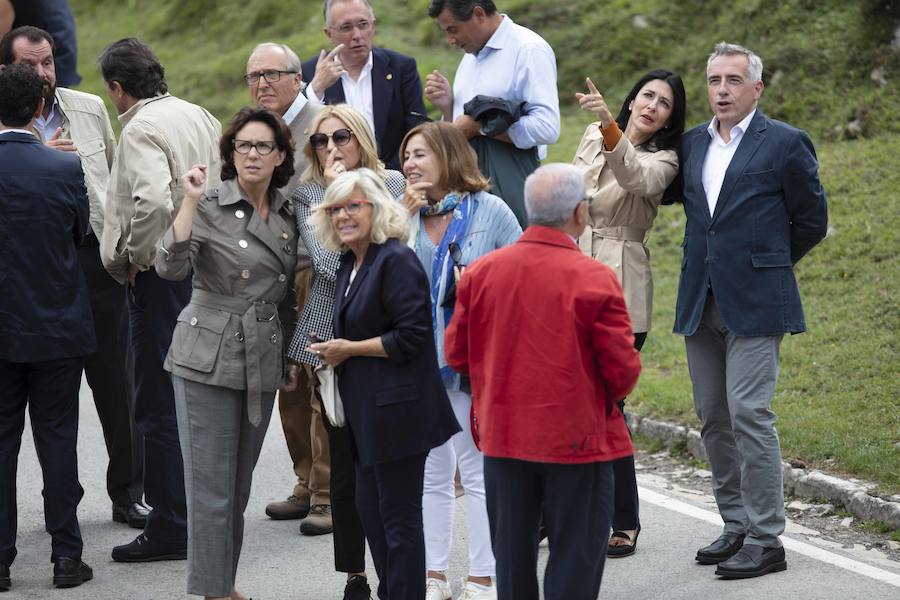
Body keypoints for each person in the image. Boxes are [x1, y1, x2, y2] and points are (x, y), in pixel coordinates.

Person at [444, 163, 641, 600]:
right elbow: (622, 371)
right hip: (577, 440)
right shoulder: (594, 278)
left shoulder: (480, 274)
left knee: (512, 561)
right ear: (579, 213)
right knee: (575, 558)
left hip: (504, 438)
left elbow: (456, 354)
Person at [676, 42, 828, 579]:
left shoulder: (784, 143)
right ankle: (735, 523)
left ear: (756, 88)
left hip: (759, 300)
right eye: (714, 80)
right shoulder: (692, 143)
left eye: (733, 80)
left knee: (749, 415)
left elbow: (811, 218)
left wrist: (770, 263)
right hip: (701, 296)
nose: (722, 90)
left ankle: (767, 539)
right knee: (713, 417)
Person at [0, 25, 148, 530]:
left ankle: (129, 493)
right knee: (37, 401)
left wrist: (125, 250)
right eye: (30, 66)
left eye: (48, 63)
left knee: (116, 385)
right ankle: (45, 513)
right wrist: (46, 166)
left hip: (95, 261)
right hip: (29, 272)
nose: (43, 75)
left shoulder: (86, 107)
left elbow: (118, 182)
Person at [155, 107, 305, 600]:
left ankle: (222, 584)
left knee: (236, 487)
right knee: (211, 488)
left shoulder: (289, 209)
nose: (252, 154)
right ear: (230, 153)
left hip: (262, 353)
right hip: (207, 355)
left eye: (263, 146)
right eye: (243, 145)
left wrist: (286, 358)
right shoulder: (209, 201)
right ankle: (216, 591)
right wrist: (187, 201)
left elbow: (285, 295)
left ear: (282, 155)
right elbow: (169, 268)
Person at [307, 168, 460, 600]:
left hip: (399, 415)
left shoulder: (395, 258)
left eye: (354, 206)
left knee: (398, 523)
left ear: (376, 209)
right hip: (365, 416)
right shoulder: (348, 262)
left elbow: (412, 337)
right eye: (335, 208)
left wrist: (348, 349)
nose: (343, 215)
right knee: (372, 517)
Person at [99, 37, 222, 563]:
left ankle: (172, 524)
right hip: (209, 267)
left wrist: (137, 256)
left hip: (163, 274)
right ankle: (205, 517)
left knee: (158, 398)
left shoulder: (140, 128)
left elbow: (150, 202)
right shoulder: (201, 115)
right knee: (200, 394)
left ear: (118, 88)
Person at [285, 103, 405, 599]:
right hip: (331, 340)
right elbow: (333, 265)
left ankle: (400, 570)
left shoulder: (392, 183)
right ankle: (355, 574)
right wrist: (336, 194)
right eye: (321, 140)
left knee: (390, 465)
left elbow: (389, 249)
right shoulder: (309, 193)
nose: (331, 148)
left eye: (341, 137)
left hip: (385, 335)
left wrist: (350, 199)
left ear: (361, 139)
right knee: (345, 462)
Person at [399, 121, 520, 600]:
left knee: (475, 473)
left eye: (421, 154)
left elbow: (520, 281)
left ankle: (481, 578)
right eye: (406, 155)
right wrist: (399, 219)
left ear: (450, 157)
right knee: (430, 474)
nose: (410, 163)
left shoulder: (490, 211)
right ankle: (433, 576)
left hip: (472, 364)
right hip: (414, 364)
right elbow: (379, 275)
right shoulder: (399, 216)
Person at [572, 69, 686, 558]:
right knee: (563, 404)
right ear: (632, 97)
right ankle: (556, 513)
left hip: (621, 283)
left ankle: (623, 518)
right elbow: (571, 197)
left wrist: (612, 131)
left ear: (669, 118)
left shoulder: (665, 158)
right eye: (647, 95)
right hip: (571, 274)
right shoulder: (591, 135)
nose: (652, 106)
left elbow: (633, 176)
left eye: (663, 103)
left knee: (608, 407)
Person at [0, 62, 95, 591]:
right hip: (57, 324)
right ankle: (65, 555)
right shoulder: (64, 169)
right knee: (58, 440)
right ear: (40, 108)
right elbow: (82, 231)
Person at [245, 42, 332, 533]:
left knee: (320, 380)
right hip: (271, 272)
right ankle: (305, 481)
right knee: (289, 384)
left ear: (297, 78)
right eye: (253, 77)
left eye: (272, 74)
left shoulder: (323, 123)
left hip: (315, 268)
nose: (262, 85)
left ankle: (327, 492)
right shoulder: (257, 129)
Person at [425, 0, 560, 228]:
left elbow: (547, 127)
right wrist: (447, 106)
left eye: (453, 29)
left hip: (509, 181)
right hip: (468, 187)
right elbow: (461, 125)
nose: (450, 40)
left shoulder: (528, 49)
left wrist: (481, 128)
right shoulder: (470, 56)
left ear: (478, 14)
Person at [303, 0, 427, 170]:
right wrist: (316, 90)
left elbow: (417, 129)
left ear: (373, 25)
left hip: (394, 178)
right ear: (329, 33)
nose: (357, 35)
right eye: (346, 27)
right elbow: (301, 138)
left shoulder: (401, 67)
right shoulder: (309, 73)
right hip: (334, 181)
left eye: (363, 24)